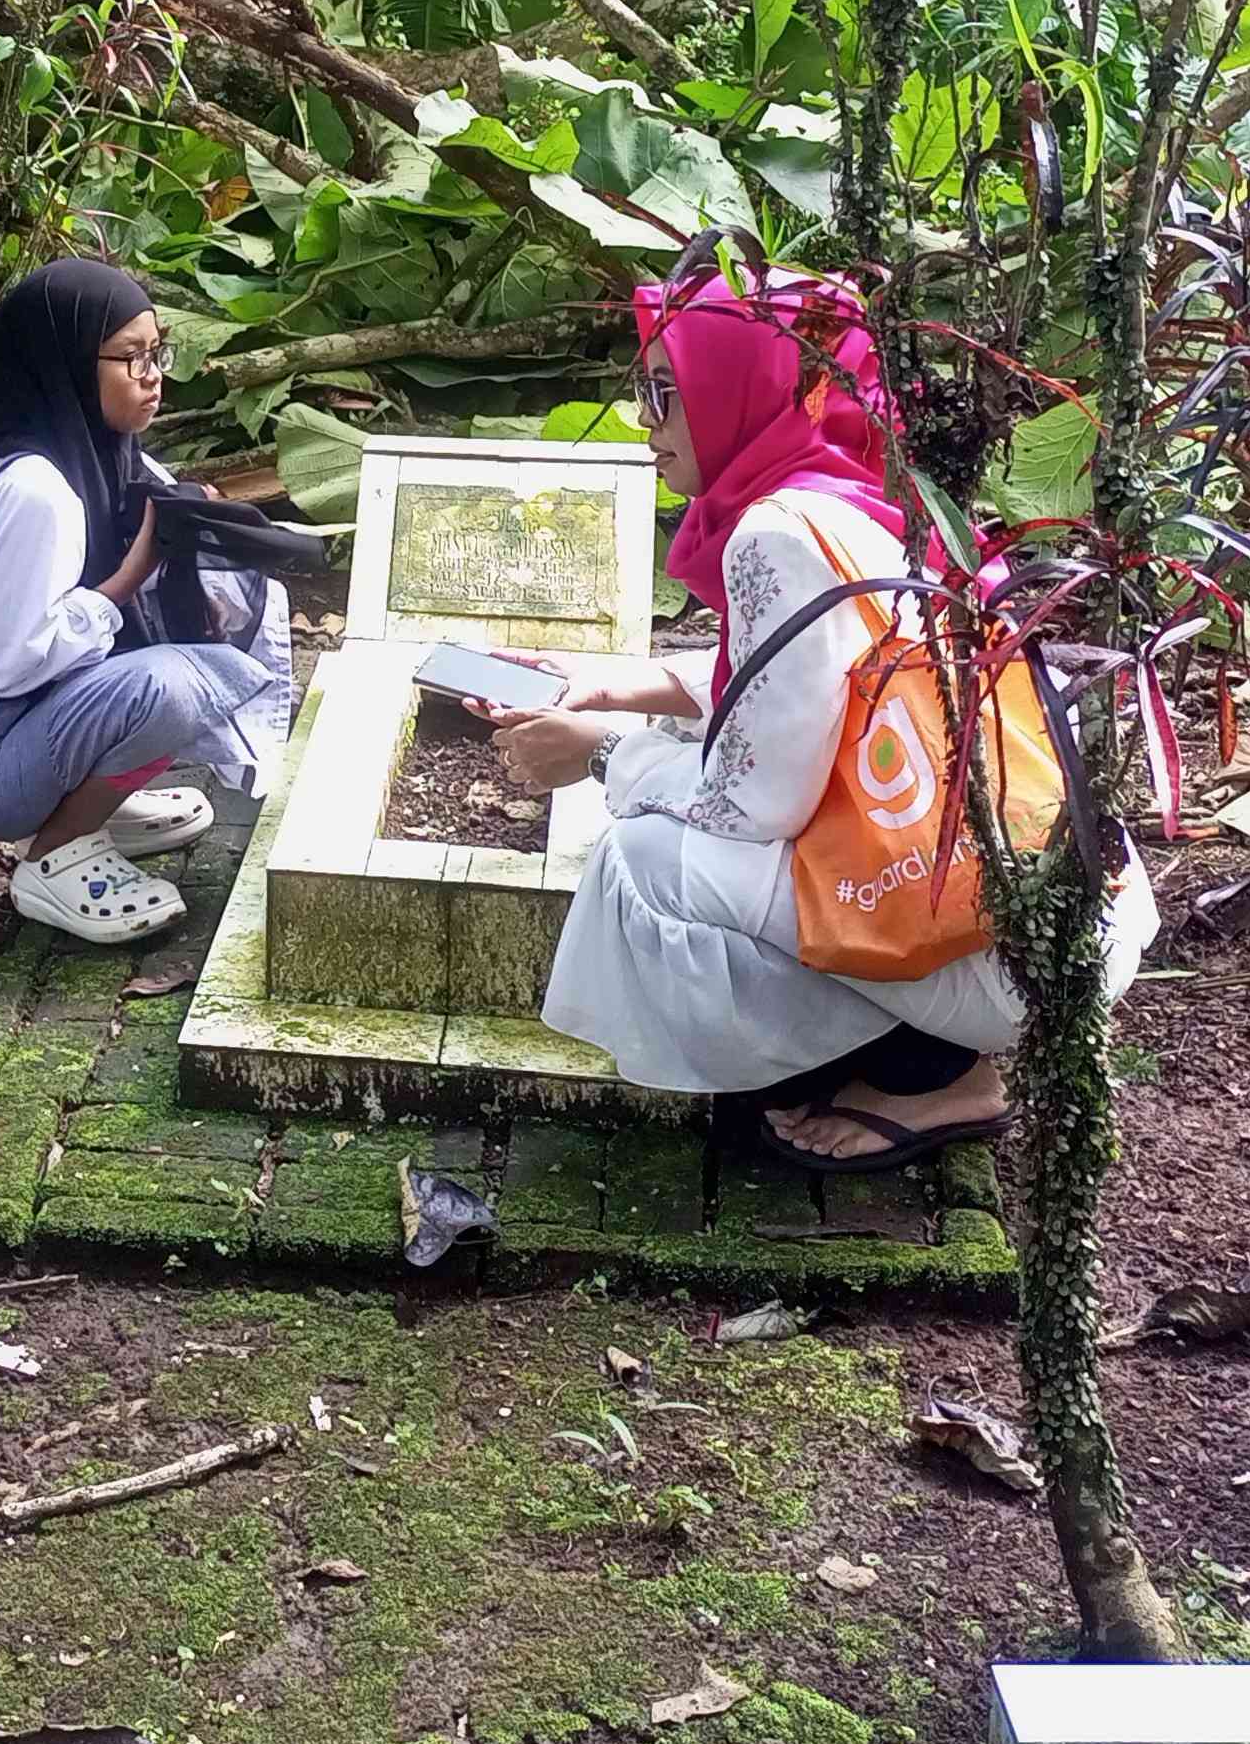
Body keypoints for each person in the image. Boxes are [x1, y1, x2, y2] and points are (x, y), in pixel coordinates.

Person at [487, 267, 1155, 1172]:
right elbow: (819, 676)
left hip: (992, 960)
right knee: (679, 776)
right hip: (1068, 912)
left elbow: (753, 807)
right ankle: (946, 1050)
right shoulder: (847, 483)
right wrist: (619, 686)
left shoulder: (775, 531)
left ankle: (934, 1072)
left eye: (663, 393)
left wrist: (601, 756)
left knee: (644, 858)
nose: (645, 425)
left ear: (736, 389)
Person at [0, 260, 294, 944]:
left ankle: (97, 805)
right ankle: (55, 852)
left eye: (157, 353)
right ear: (64, 365)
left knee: (194, 666)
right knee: (175, 688)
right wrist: (127, 580)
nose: (154, 376)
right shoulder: (39, 493)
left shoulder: (112, 458)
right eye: (130, 359)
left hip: (37, 729)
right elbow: (6, 667)